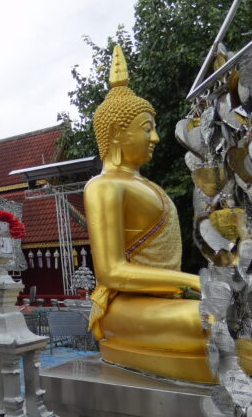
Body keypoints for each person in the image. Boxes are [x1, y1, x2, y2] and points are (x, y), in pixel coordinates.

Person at [85, 45, 212, 382]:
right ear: (116, 133)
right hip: (124, 305)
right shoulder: (102, 186)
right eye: (146, 128)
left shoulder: (145, 184)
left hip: (161, 300)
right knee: (216, 322)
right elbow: (112, 272)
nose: (155, 137)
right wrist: (192, 281)